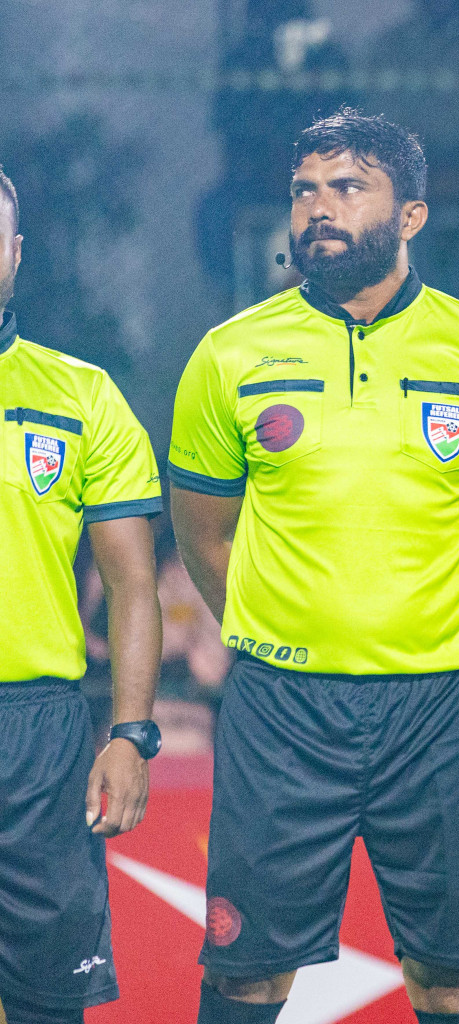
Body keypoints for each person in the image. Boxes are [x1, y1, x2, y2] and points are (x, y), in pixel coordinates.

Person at [168, 109, 459, 1024]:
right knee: (243, 974)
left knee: (457, 978)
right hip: (281, 710)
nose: (319, 208)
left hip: (435, 706)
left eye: (348, 188)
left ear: (412, 215)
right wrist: (290, 627)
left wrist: (426, 618)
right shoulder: (230, 356)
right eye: (306, 189)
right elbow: (205, 540)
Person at [0, 165, 165, 1024]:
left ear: (16, 254)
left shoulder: (80, 396)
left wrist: (133, 733)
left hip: (37, 738)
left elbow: (133, 582)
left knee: (44, 1006)